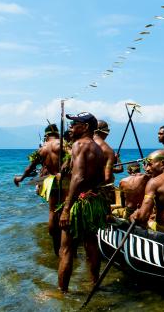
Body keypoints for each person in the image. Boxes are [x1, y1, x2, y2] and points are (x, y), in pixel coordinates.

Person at [58, 112, 107, 293]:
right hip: (93, 201)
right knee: (91, 245)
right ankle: (95, 284)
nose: (71, 127)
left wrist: (66, 208)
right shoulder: (97, 148)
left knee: (66, 249)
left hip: (79, 202)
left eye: (74, 123)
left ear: (85, 127)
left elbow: (78, 178)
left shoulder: (79, 144)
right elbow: (101, 177)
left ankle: (62, 292)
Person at [14, 123, 64, 255]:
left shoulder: (42, 149)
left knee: (53, 212)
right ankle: (69, 244)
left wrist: (21, 178)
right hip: (65, 181)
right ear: (58, 134)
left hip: (50, 182)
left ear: (46, 136)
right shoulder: (64, 145)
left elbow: (30, 168)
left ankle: (56, 246)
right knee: (67, 210)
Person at [93, 120, 122, 204]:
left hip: (85, 189)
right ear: (105, 132)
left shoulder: (83, 144)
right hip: (101, 190)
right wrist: (116, 158)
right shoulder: (107, 150)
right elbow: (107, 177)